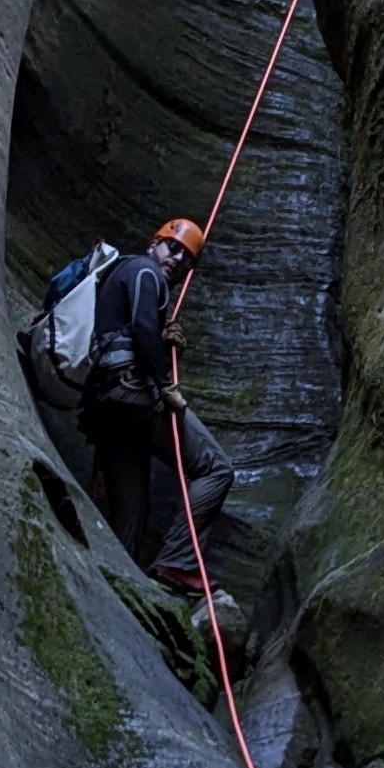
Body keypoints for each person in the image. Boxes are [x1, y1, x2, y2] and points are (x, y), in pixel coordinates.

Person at [80, 218, 231, 588]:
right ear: (154, 244)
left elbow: (128, 332)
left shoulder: (118, 275)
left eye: (186, 258)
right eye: (173, 247)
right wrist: (164, 385)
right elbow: (143, 328)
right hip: (134, 396)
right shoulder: (145, 271)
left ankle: (116, 586)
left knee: (132, 512)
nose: (177, 259)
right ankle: (177, 563)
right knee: (216, 469)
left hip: (106, 408)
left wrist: (164, 340)